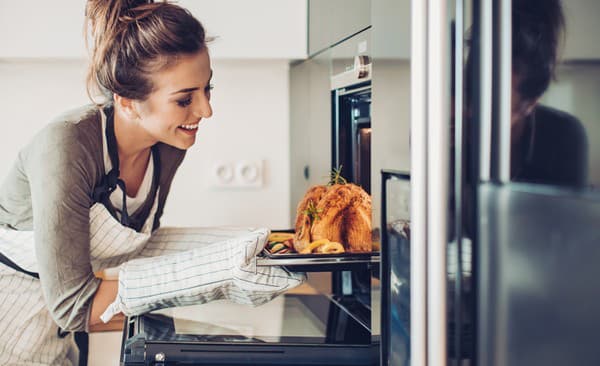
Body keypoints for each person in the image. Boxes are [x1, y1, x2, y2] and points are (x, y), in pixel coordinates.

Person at [0, 1, 299, 364]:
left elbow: (137, 249)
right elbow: (74, 306)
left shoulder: (168, 146)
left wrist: (264, 248)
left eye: (208, 89)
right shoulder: (67, 145)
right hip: (11, 314)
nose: (206, 110)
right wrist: (213, 276)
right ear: (127, 103)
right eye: (185, 99)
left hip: (63, 333)